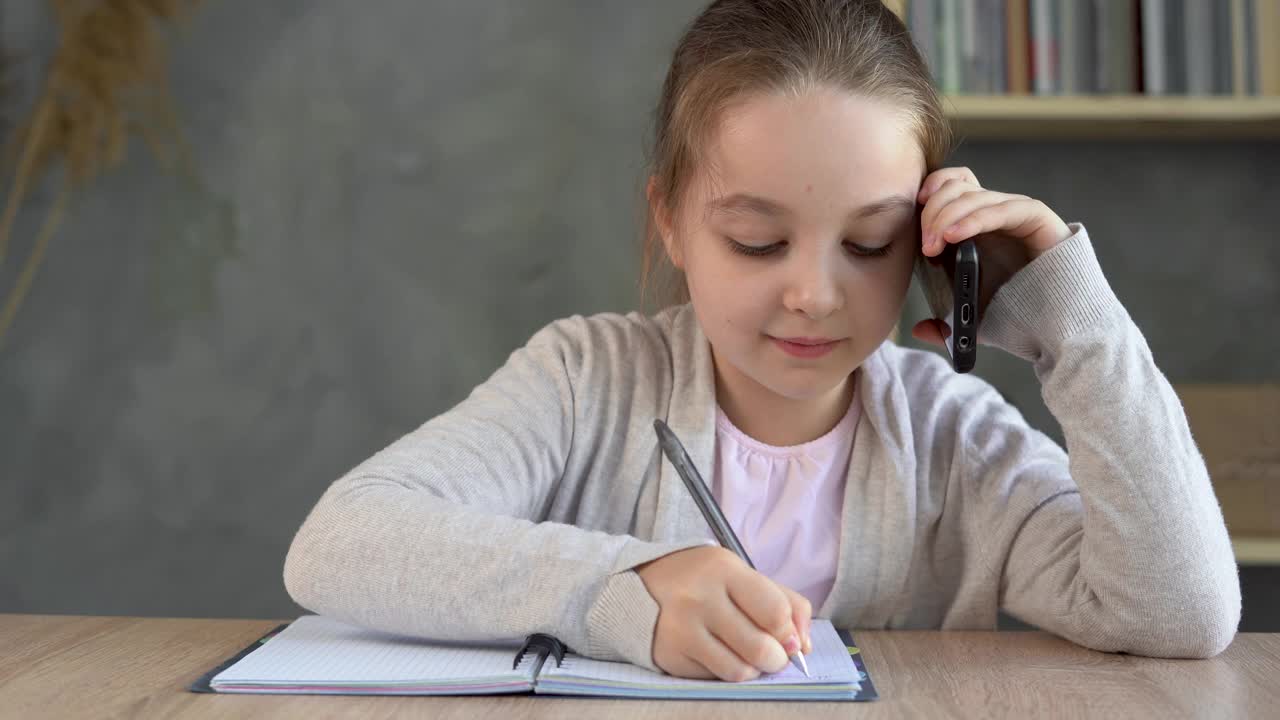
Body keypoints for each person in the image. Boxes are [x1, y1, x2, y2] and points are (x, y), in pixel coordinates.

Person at [283, 0, 1240, 682]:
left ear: (925, 238)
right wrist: (624, 588)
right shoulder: (585, 382)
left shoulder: (951, 440)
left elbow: (1178, 614)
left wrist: (1076, 321)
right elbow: (338, 544)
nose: (814, 295)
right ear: (670, 221)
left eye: (870, 244)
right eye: (756, 239)